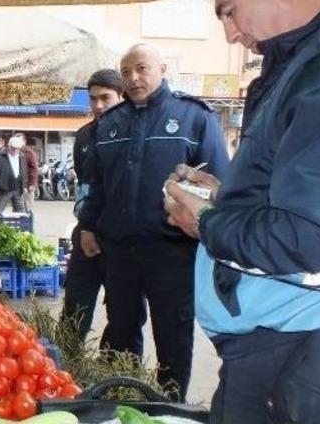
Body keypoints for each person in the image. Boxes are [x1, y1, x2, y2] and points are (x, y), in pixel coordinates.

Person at [164, 0, 320, 421]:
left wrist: (208, 223)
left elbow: (310, 238)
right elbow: (295, 190)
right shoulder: (297, 65)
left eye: (230, 12)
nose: (231, 34)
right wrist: (225, 192)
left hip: (301, 343)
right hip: (275, 341)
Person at [78, 43, 229, 401]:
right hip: (119, 251)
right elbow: (97, 183)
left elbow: (221, 184)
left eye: (142, 68)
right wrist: (88, 225)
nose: (133, 77)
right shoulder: (111, 123)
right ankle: (125, 399)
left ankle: (170, 405)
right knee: (122, 328)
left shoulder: (194, 118)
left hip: (172, 251)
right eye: (126, 71)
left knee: (172, 334)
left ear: (162, 69)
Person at [61, 69, 147, 350]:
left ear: (121, 97)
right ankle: (68, 363)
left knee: (125, 315)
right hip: (85, 233)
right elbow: (85, 185)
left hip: (123, 241)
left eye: (105, 98)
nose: (98, 105)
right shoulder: (84, 136)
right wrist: (86, 227)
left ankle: (117, 372)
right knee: (75, 307)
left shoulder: (138, 133)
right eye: (93, 99)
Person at [0, 134, 27, 222]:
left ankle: (22, 232)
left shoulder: (21, 156)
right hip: (3, 189)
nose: (15, 151)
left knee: (21, 212)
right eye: (13, 148)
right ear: (8, 146)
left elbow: (23, 170)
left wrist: (23, 185)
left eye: (17, 148)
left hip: (17, 188)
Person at [15, 132, 39, 212]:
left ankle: (29, 223)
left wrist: (32, 183)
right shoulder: (14, 152)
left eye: (19, 140)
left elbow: (34, 169)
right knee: (17, 207)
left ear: (24, 141)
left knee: (28, 207)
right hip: (16, 184)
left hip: (27, 184)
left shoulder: (29, 152)